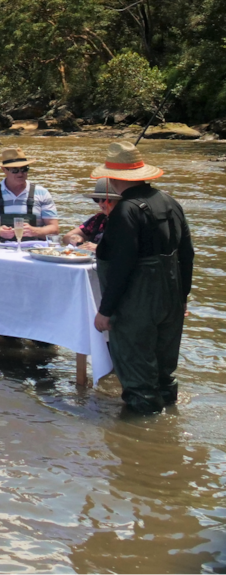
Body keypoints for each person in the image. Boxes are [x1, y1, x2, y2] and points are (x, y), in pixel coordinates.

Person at [92, 141, 194, 414]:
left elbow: (121, 266)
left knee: (138, 380)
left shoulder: (126, 210)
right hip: (171, 301)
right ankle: (169, 429)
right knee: (164, 375)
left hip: (137, 306)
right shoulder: (171, 203)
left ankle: (142, 441)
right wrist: (182, 300)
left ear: (113, 178)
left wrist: (105, 311)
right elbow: (187, 255)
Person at [0, 147, 59, 241]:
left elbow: (54, 229)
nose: (20, 174)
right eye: (15, 170)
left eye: (24, 169)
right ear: (4, 170)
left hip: (33, 250)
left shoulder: (42, 193)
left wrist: (34, 231)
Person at [62, 179, 118, 250]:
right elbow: (66, 237)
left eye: (105, 199)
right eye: (97, 199)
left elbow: (128, 250)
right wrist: (74, 239)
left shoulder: (127, 220)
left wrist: (98, 249)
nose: (100, 203)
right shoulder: (98, 219)